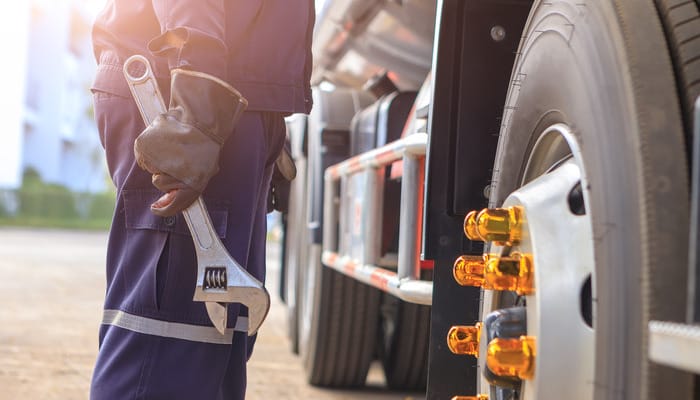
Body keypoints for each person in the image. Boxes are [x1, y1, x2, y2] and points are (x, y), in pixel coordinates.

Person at [88, 2, 314, 399]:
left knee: (219, 338)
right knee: (167, 342)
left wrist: (270, 121)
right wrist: (198, 103)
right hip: (183, 88)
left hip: (229, 93)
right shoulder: (198, 86)